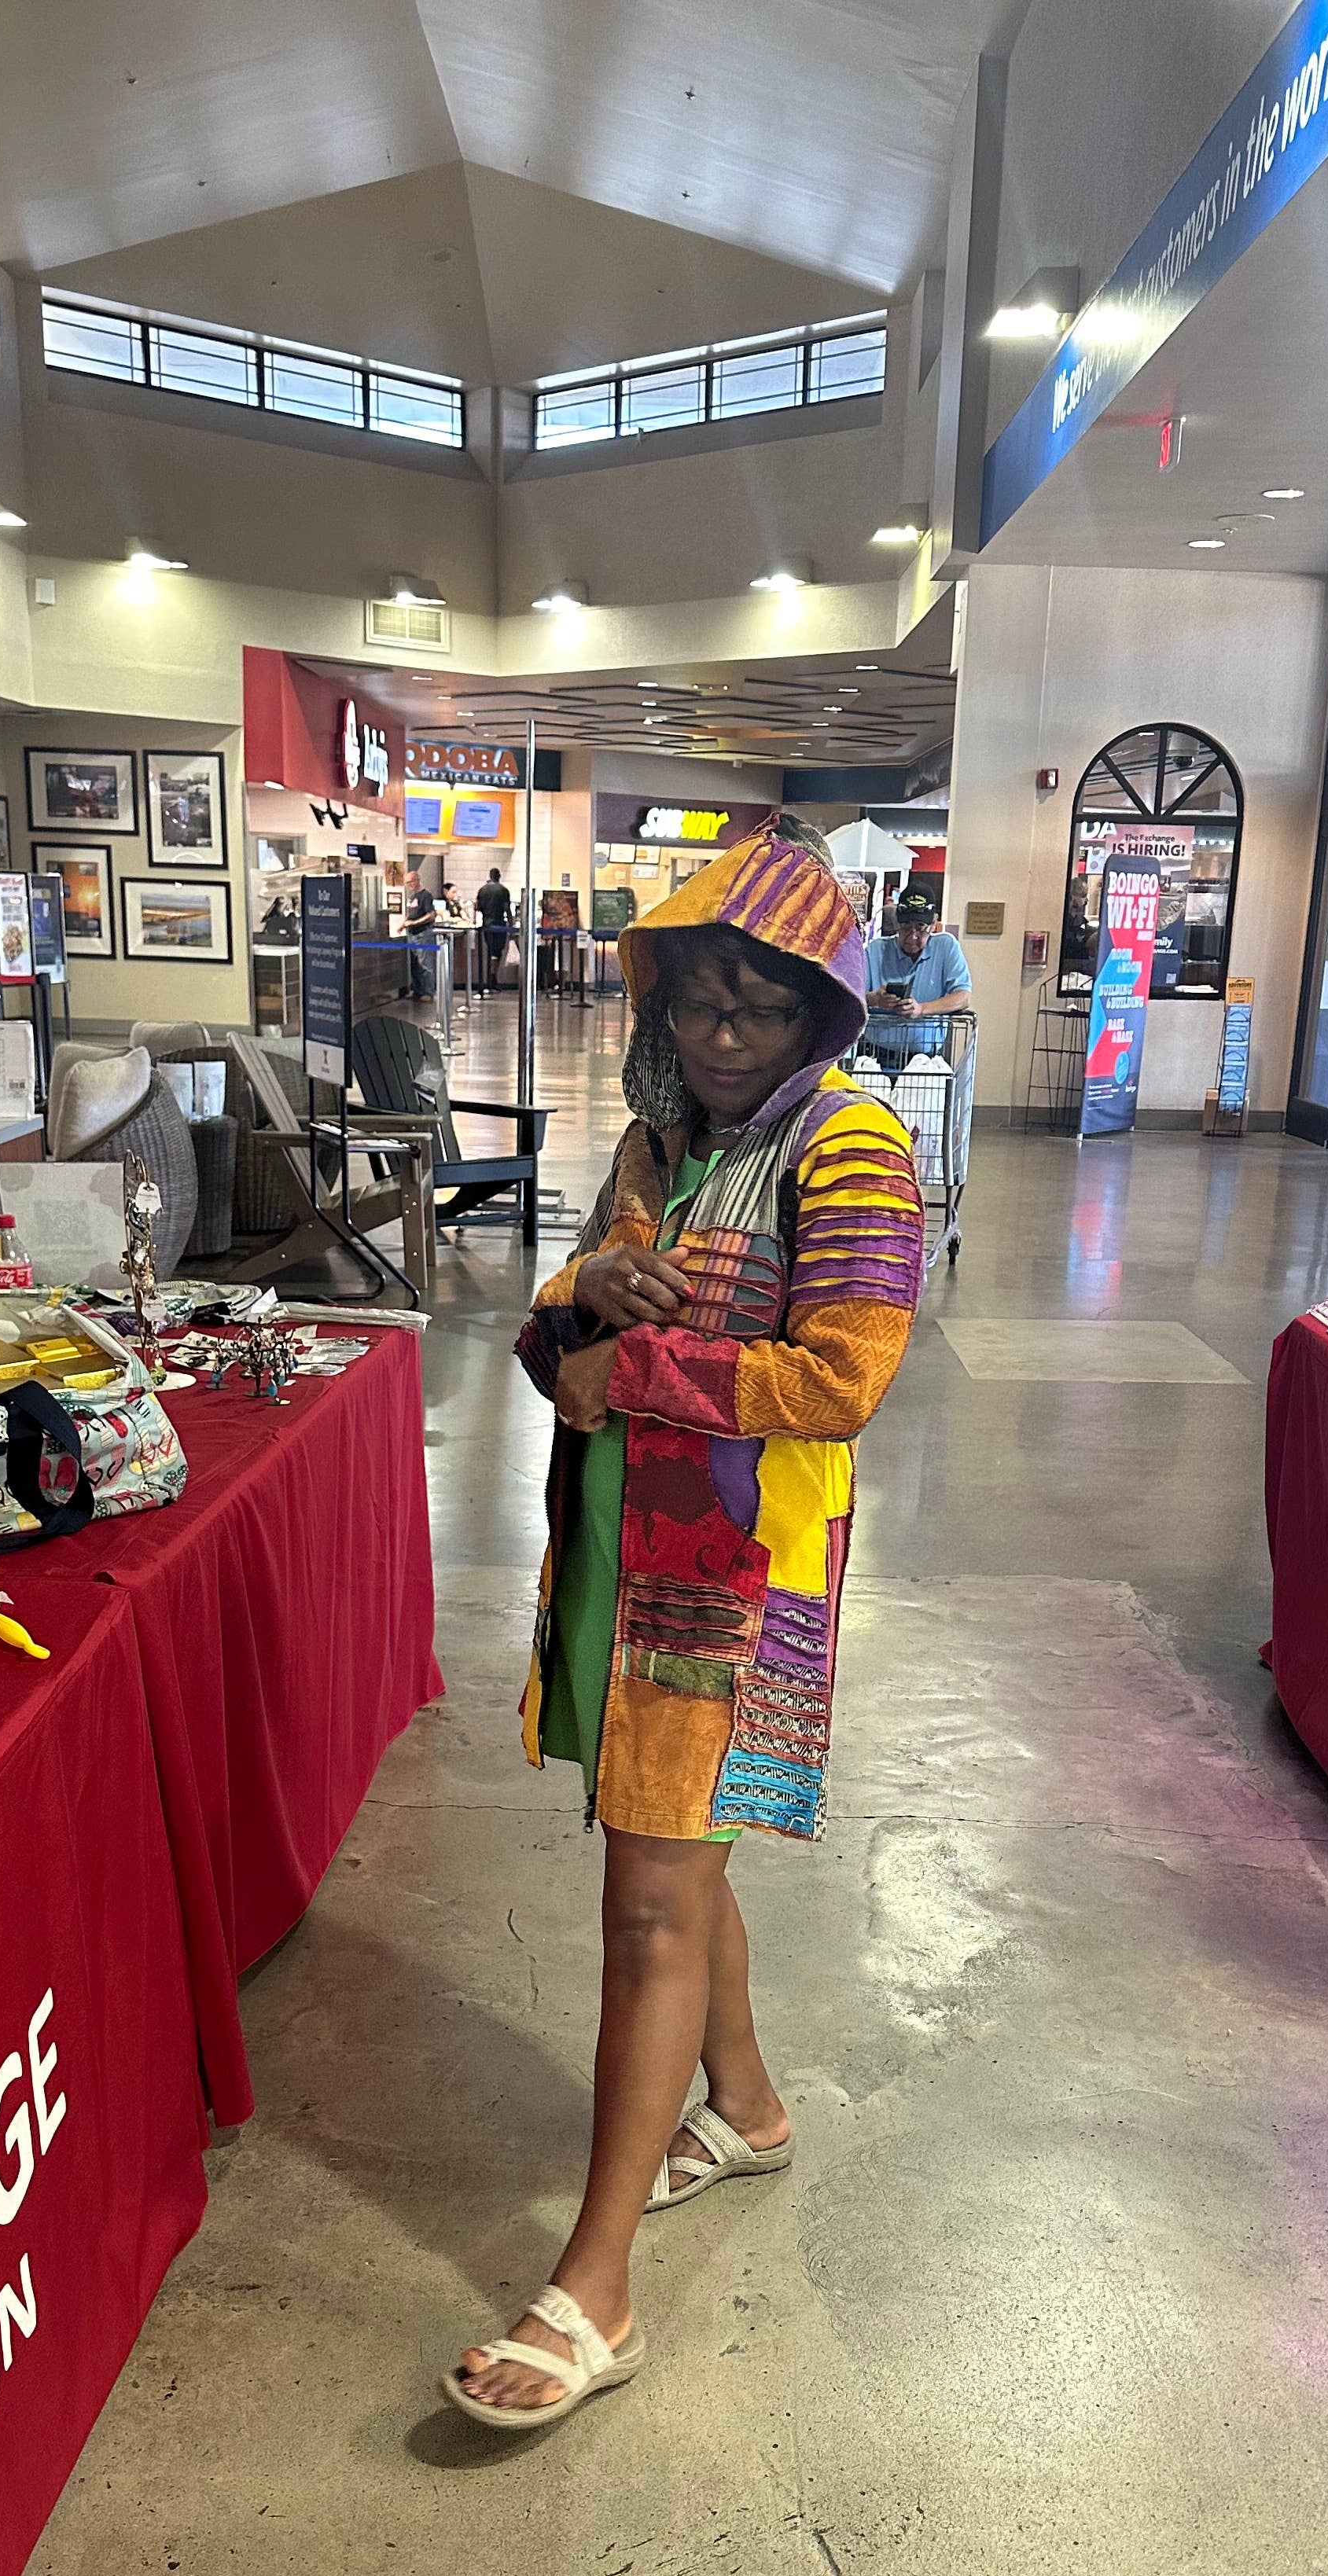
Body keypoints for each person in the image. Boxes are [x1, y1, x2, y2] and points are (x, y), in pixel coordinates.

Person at [444, 821, 925, 2431]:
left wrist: (631, 1361)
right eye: (701, 1001)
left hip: (732, 1577)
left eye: (760, 1009)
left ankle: (595, 2289)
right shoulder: (659, 1138)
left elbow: (842, 1379)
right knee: (673, 1860)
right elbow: (556, 1323)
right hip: (614, 1554)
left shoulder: (848, 1148)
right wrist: (591, 1301)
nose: (723, 1036)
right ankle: (748, 2105)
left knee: (649, 1899)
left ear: (817, 1015)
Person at [861, 887, 971, 1077]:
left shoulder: (946, 946)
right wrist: (875, 999)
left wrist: (921, 1009)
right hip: (876, 1061)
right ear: (897, 922)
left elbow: (963, 997)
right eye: (905, 927)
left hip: (927, 1063)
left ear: (934, 923)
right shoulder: (875, 950)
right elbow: (852, 997)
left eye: (920, 928)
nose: (912, 937)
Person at [474, 865, 513, 993]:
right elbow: (507, 909)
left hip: (486, 925)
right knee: (497, 952)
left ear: (490, 876)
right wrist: (511, 926)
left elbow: (478, 908)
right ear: (499, 876)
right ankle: (492, 978)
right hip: (499, 924)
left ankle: (488, 980)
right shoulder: (503, 890)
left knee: (490, 951)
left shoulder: (482, 890)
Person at [405, 869, 440, 1000]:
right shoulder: (412, 897)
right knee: (415, 964)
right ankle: (417, 990)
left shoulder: (426, 896)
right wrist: (404, 924)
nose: (409, 885)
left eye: (410, 882)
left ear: (417, 881)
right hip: (412, 934)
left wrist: (414, 923)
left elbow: (431, 915)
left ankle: (428, 992)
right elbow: (411, 915)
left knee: (425, 964)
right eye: (407, 883)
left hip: (423, 933)